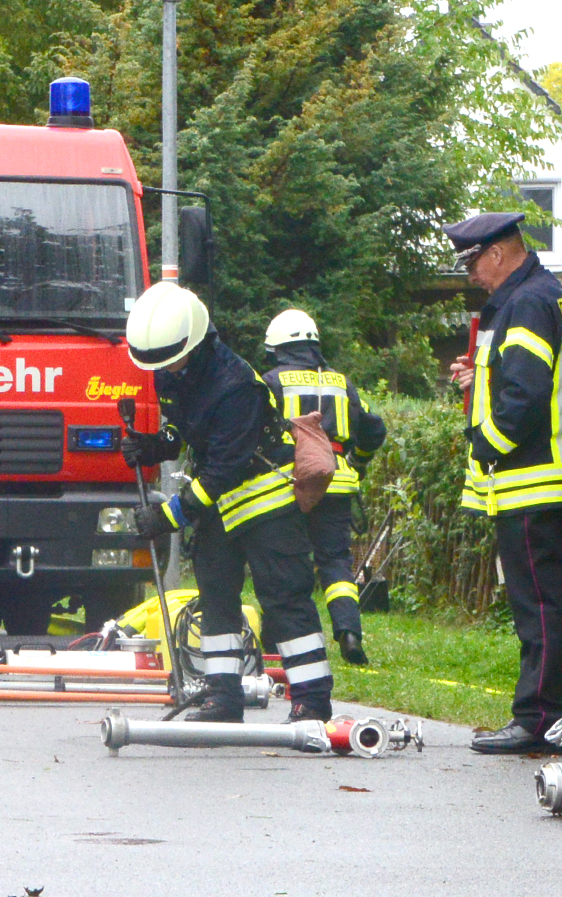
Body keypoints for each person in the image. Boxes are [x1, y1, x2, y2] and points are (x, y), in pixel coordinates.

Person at [122, 282, 333, 723]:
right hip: (219, 508)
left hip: (265, 506)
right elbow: (186, 428)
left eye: (172, 359)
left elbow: (222, 471)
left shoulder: (236, 385)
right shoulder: (172, 370)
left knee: (284, 600)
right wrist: (154, 445)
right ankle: (222, 697)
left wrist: (167, 516)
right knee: (216, 600)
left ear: (194, 342)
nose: (166, 369)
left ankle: (312, 701)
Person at [446, 212, 562, 755]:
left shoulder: (526, 303)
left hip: (530, 479)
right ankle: (545, 713)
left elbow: (525, 397)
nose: (472, 275)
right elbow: (526, 376)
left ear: (498, 253)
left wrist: (486, 445)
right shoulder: (544, 294)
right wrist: (479, 376)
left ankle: (539, 718)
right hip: (543, 477)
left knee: (538, 608)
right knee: (541, 604)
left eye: (473, 263)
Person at [261, 308, 387, 665]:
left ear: (277, 348)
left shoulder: (271, 381)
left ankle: (280, 639)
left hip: (290, 483)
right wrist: (358, 461)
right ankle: (349, 633)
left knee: (289, 562)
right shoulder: (341, 383)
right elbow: (373, 429)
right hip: (336, 480)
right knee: (335, 561)